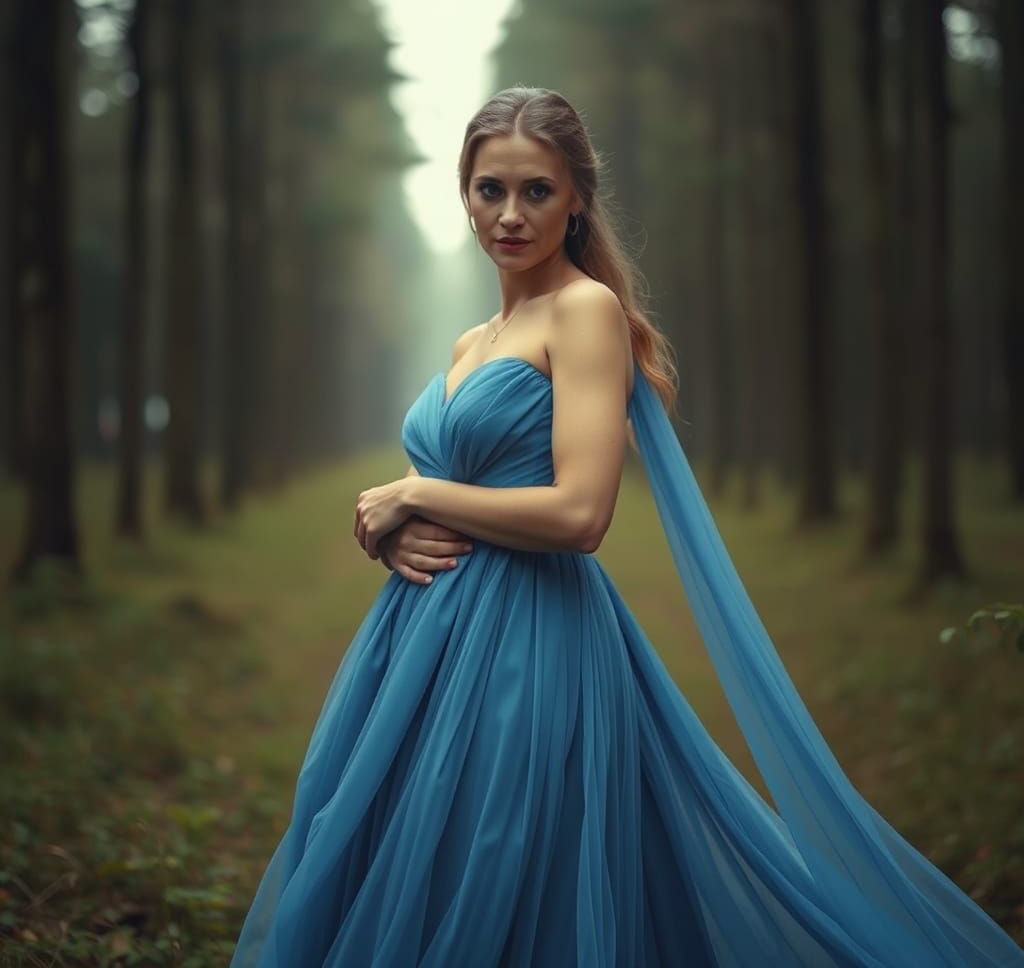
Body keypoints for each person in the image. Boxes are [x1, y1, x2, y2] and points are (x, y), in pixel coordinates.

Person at [229, 87, 1023, 967]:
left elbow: (580, 512)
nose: (511, 214)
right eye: (491, 189)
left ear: (576, 198)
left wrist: (414, 499)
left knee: (502, 866)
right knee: (404, 852)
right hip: (419, 644)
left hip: (530, 643)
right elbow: (438, 481)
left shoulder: (585, 312)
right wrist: (383, 521)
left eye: (537, 190)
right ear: (464, 194)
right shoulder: (471, 341)